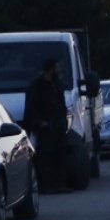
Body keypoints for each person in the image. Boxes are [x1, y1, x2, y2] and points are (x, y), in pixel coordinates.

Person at [25, 57, 72, 193]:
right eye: (56, 67)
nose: (59, 70)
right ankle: (45, 185)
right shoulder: (36, 86)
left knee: (60, 154)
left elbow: (61, 103)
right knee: (45, 156)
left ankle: (59, 183)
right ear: (50, 69)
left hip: (58, 125)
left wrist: (63, 120)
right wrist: (41, 122)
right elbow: (31, 108)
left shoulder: (57, 84)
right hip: (45, 128)